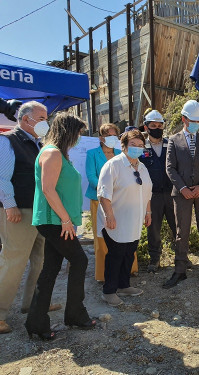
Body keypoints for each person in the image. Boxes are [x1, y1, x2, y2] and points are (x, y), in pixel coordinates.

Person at [26, 113, 96, 340]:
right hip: (54, 220)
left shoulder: (57, 153)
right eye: (77, 133)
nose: (78, 138)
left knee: (50, 269)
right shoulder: (52, 153)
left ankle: (36, 323)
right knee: (80, 260)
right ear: (68, 131)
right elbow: (48, 189)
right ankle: (75, 314)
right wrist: (66, 220)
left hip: (56, 220)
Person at [0, 101, 62, 335]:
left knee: (41, 260)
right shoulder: (8, 141)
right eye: (42, 118)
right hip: (19, 212)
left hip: (38, 212)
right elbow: (2, 178)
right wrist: (10, 206)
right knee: (13, 260)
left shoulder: (40, 144)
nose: (46, 122)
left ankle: (33, 304)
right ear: (26, 120)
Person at [163, 100, 199, 289]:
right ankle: (180, 271)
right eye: (194, 121)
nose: (198, 124)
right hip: (181, 195)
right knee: (182, 232)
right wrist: (183, 189)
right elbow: (170, 168)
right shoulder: (173, 140)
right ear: (184, 119)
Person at [97, 129, 152, 307]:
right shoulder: (113, 165)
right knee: (116, 255)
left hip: (135, 220)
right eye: (133, 145)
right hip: (116, 219)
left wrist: (148, 212)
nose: (137, 148)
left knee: (129, 253)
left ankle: (123, 285)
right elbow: (103, 194)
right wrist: (109, 215)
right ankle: (109, 291)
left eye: (140, 145)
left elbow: (147, 193)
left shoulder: (142, 167)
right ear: (123, 146)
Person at [85, 123, 138, 281]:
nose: (113, 139)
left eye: (115, 136)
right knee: (102, 238)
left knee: (126, 235)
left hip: (121, 201)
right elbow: (92, 177)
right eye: (109, 136)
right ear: (101, 138)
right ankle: (103, 274)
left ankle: (129, 269)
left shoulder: (120, 153)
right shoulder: (92, 154)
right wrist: (109, 190)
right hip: (100, 200)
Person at [139, 110, 176, 273]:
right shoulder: (140, 148)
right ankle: (155, 259)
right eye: (153, 125)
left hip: (172, 193)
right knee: (153, 228)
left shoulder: (171, 145)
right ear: (146, 127)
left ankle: (182, 257)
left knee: (178, 226)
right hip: (151, 196)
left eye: (160, 125)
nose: (157, 128)